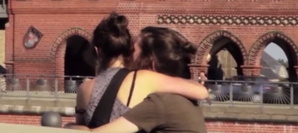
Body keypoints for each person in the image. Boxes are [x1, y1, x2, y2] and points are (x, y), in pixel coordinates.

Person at [71, 13, 208, 129]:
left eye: (134, 47)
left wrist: (69, 127)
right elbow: (201, 91)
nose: (131, 51)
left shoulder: (84, 88)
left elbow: (85, 128)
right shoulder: (145, 81)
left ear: (97, 51)